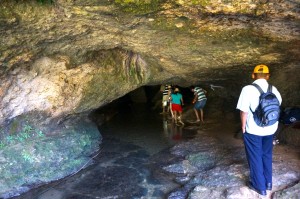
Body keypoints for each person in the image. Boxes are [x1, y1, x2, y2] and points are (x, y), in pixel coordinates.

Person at [236, 64, 282, 196]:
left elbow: (244, 111)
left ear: (253, 75)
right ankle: (268, 183)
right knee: (266, 154)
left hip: (254, 130)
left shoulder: (248, 89)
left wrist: (243, 126)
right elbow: (277, 108)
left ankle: (259, 186)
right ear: (268, 76)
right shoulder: (274, 89)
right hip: (270, 128)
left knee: (255, 156)